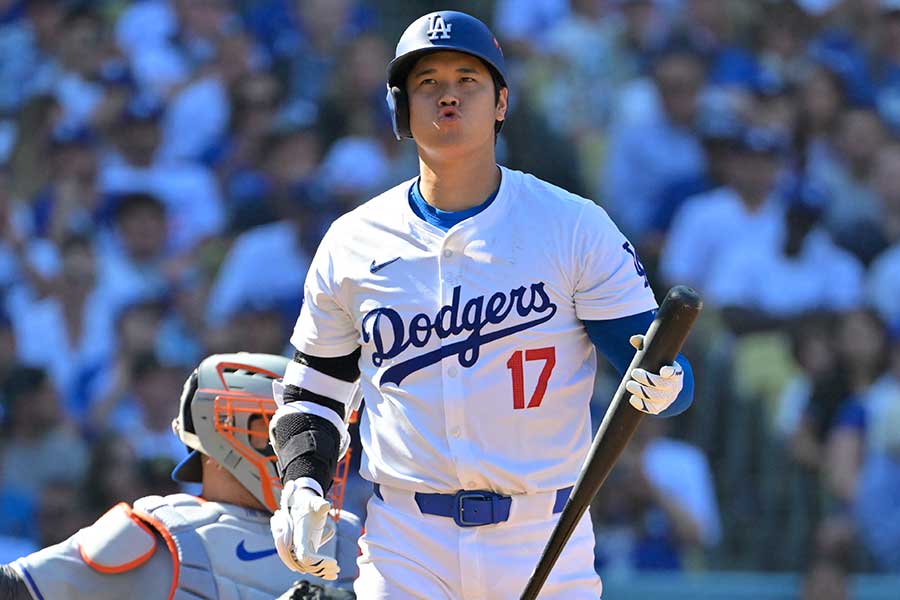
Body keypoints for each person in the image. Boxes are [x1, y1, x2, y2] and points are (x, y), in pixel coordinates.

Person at [267, 11, 694, 599]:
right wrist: (302, 485)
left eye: (468, 80)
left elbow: (657, 362)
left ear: (500, 102)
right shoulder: (352, 241)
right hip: (407, 541)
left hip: (546, 532)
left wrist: (666, 384)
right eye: (428, 83)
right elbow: (314, 393)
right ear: (401, 109)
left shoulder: (572, 226)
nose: (448, 97)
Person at [0, 352, 360, 599]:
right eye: (283, 430)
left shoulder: (353, 539)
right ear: (227, 428)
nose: (310, 448)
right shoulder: (154, 537)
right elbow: (14, 587)